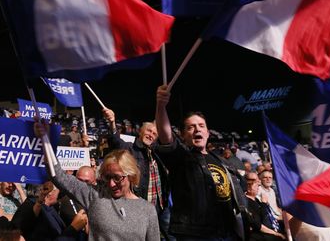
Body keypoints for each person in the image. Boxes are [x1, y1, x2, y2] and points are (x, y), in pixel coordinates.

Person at [36, 121, 160, 240]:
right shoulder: (95, 196)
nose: (111, 184)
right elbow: (57, 175)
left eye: (117, 178)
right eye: (107, 177)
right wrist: (45, 140)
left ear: (131, 176)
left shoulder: (147, 210)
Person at [155, 85, 247, 240]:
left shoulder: (223, 162)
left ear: (207, 133)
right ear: (183, 135)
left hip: (227, 232)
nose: (197, 129)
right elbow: (166, 137)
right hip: (196, 235)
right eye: (191, 127)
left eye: (201, 126)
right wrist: (161, 106)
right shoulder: (181, 157)